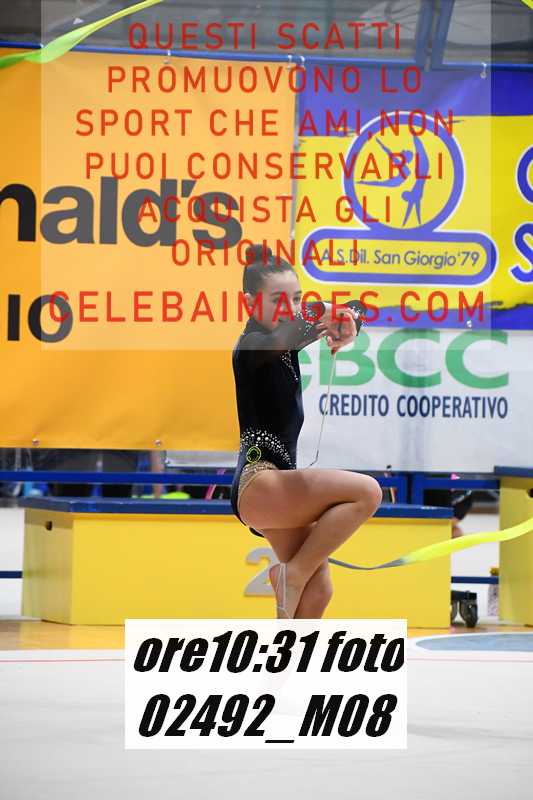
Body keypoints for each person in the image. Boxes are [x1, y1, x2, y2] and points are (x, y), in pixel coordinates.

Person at [230, 244, 383, 619]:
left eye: (296, 298)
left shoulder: (286, 340)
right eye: (278, 300)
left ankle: (286, 657)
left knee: (318, 591)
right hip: (259, 481)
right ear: (249, 303)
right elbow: (289, 335)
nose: (290, 308)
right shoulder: (252, 347)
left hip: (277, 489)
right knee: (368, 492)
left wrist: (349, 321)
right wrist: (325, 311)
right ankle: (292, 574)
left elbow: (356, 307)